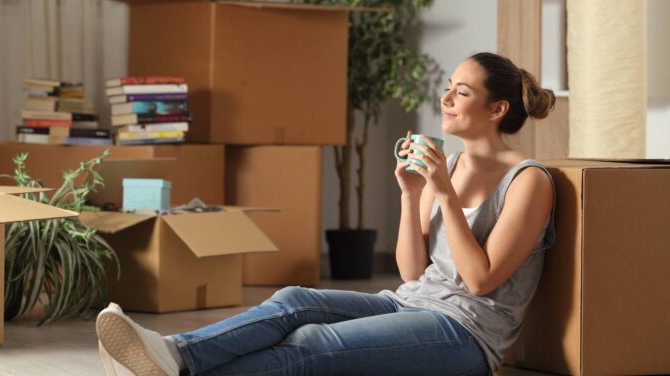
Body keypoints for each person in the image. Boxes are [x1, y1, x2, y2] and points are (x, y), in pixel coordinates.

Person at [94, 52, 557, 376]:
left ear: (497, 109)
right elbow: (413, 272)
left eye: (461, 92)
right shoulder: (449, 166)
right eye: (448, 89)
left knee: (313, 345)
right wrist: (410, 194)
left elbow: (479, 281)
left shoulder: (528, 181)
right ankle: (174, 355)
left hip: (466, 337)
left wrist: (443, 194)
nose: (446, 99)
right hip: (412, 303)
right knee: (295, 301)